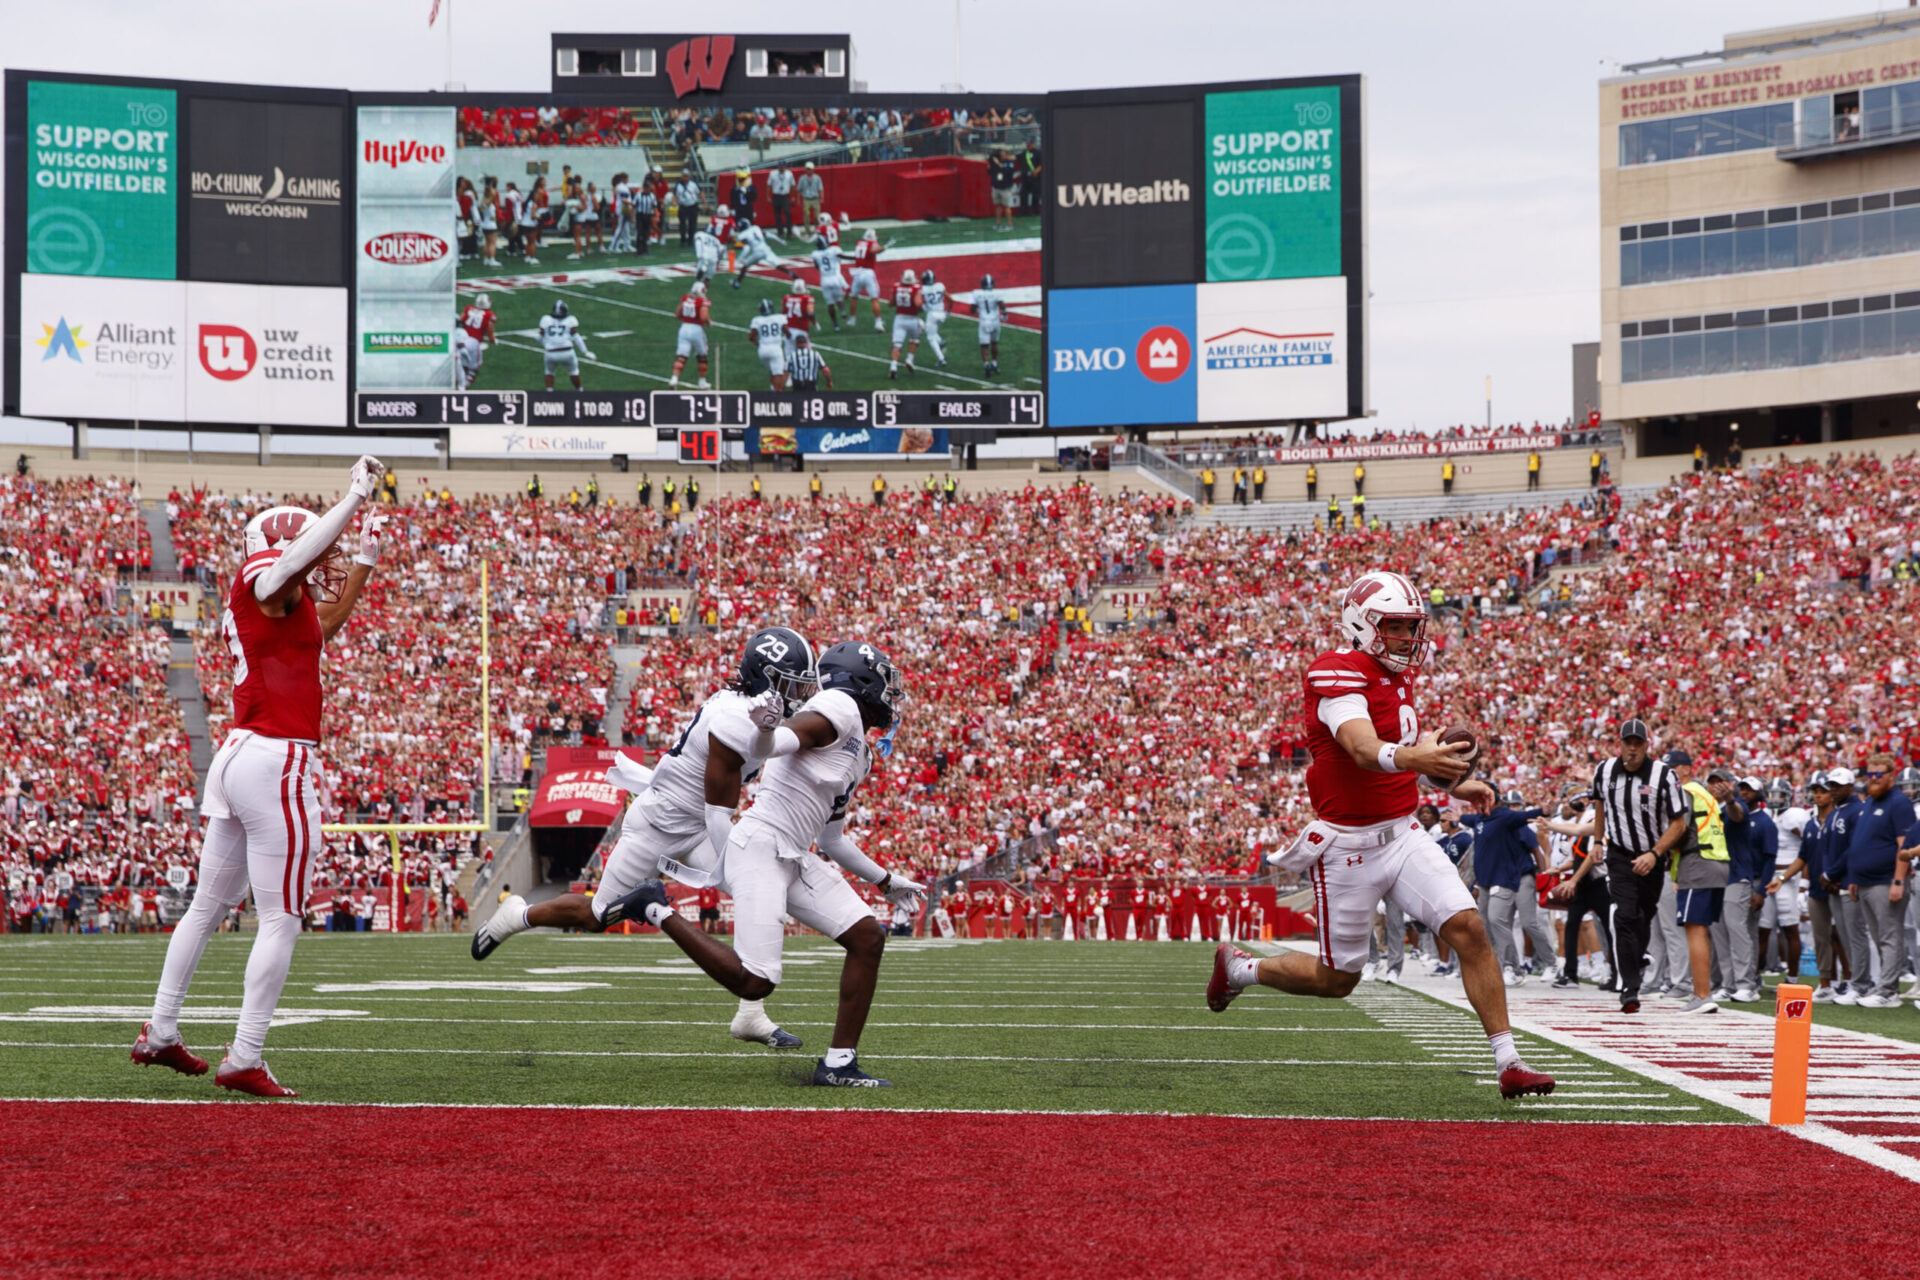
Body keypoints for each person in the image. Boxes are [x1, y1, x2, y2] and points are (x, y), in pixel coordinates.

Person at [1207, 570, 1555, 1099]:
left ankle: (1508, 1062)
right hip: (1347, 848)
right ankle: (1241, 969)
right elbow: (1362, 749)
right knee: (1336, 980)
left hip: (1403, 835)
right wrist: (1421, 758)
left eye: (1411, 627)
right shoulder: (1336, 672)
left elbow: (1399, 755)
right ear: (1362, 623)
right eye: (1395, 626)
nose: (1407, 638)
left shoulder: (1397, 678)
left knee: (1470, 930)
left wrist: (1452, 783)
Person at [132, 456, 387, 1098]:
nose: (319, 565)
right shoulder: (261, 579)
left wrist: (364, 563)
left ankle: (161, 1031)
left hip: (241, 755)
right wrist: (353, 498)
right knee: (281, 917)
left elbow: (320, 629)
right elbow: (283, 571)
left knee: (208, 906)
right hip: (278, 759)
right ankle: (244, 1054)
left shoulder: (274, 609)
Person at [473, 628, 821, 1049]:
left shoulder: (751, 708)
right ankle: (518, 916)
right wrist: (728, 864)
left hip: (698, 822)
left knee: (755, 891)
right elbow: (717, 812)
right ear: (763, 677)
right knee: (596, 916)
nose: (798, 694)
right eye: (789, 683)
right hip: (661, 822)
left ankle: (751, 1014)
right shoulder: (733, 718)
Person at [602, 641, 920, 1087]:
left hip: (792, 853)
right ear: (862, 682)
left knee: (867, 938)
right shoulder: (840, 706)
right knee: (755, 983)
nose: (890, 696)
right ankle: (656, 907)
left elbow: (832, 839)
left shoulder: (859, 750)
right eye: (886, 684)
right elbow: (778, 741)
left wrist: (886, 881)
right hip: (760, 846)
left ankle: (838, 1064)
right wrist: (768, 730)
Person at [1589, 720, 1692, 1014]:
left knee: (1643, 918)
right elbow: (1599, 805)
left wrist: (1655, 852)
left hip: (1653, 854)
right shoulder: (1604, 770)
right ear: (1619, 744)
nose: (1632, 749)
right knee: (1624, 915)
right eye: (1627, 743)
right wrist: (1598, 841)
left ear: (1647, 745)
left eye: (1638, 743)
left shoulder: (1664, 775)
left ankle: (1638, 962)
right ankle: (1630, 987)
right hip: (1619, 854)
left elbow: (1678, 823)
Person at [1842, 754, 1917, 1008]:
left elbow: (1903, 846)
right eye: (1870, 774)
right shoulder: (1870, 803)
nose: (1873, 779)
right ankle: (1883, 985)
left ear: (1890, 776)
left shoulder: (1898, 803)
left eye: (1878, 774)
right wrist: (1854, 877)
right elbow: (1860, 843)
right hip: (1865, 881)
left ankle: (1889, 991)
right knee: (1878, 936)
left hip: (1886, 881)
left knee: (1889, 935)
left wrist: (1898, 880)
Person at [1710, 776, 1773, 1003]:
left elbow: (1737, 813)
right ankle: (1728, 984)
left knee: (1738, 932)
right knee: (1720, 934)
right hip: (1715, 878)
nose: (1744, 792)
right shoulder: (1712, 809)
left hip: (1737, 877)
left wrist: (1762, 890)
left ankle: (1746, 984)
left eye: (1748, 789)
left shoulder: (1740, 809)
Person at [1760, 777, 1809, 983]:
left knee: (1790, 929)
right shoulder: (1765, 815)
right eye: (1771, 794)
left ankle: (1792, 978)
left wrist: (1803, 885)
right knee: (1762, 929)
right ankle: (1754, 976)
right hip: (1768, 876)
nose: (1775, 799)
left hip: (1788, 876)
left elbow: (1807, 848)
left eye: (1780, 795)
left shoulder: (1795, 816)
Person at [539, 301, 595, 392]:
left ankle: (549, 393)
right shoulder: (571, 320)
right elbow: (576, 337)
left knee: (549, 372)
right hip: (567, 352)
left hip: (551, 353)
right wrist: (585, 352)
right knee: (573, 372)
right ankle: (580, 390)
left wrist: (547, 345)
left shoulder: (545, 319)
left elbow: (540, 337)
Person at [668, 281, 712, 389]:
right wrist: (708, 322)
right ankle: (702, 382)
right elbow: (703, 316)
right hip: (696, 329)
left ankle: (674, 379)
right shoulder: (703, 301)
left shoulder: (685, 298)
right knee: (702, 356)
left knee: (681, 357)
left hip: (684, 328)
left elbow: (677, 314)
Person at [887, 268, 923, 379]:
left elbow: (890, 303)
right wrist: (921, 307)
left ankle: (893, 367)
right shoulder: (916, 288)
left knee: (897, 344)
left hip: (899, 319)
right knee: (914, 339)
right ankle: (909, 359)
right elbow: (917, 304)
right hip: (912, 319)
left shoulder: (896, 286)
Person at [974, 273, 1004, 376]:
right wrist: (1004, 314)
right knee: (994, 343)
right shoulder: (997, 293)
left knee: (984, 346)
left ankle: (986, 364)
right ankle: (995, 364)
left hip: (984, 321)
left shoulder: (976, 293)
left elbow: (972, 309)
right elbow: (1002, 305)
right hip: (995, 321)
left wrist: (978, 310)